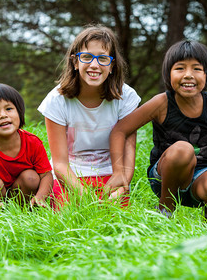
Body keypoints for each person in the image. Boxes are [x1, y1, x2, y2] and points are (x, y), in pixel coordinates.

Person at [109, 40, 207, 221]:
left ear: (206, 74)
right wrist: (118, 172)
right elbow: (120, 131)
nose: (188, 75)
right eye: (180, 68)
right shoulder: (161, 103)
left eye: (196, 69)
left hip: (202, 173)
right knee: (183, 149)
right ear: (168, 73)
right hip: (165, 177)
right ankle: (166, 208)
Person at [38, 24, 140, 208]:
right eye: (86, 57)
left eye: (102, 58)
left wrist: (121, 186)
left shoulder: (127, 97)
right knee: (70, 216)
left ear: (112, 65)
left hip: (111, 174)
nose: (94, 65)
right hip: (70, 176)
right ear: (75, 62)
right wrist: (86, 197)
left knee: (114, 219)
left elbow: (128, 149)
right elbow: (60, 164)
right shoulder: (56, 100)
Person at [0, 83, 53, 208]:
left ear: (19, 111)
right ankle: (0, 213)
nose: (3, 115)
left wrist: (40, 198)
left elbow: (46, 175)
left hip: (23, 192)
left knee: (31, 177)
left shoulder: (32, 142)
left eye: (9, 109)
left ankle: (25, 210)